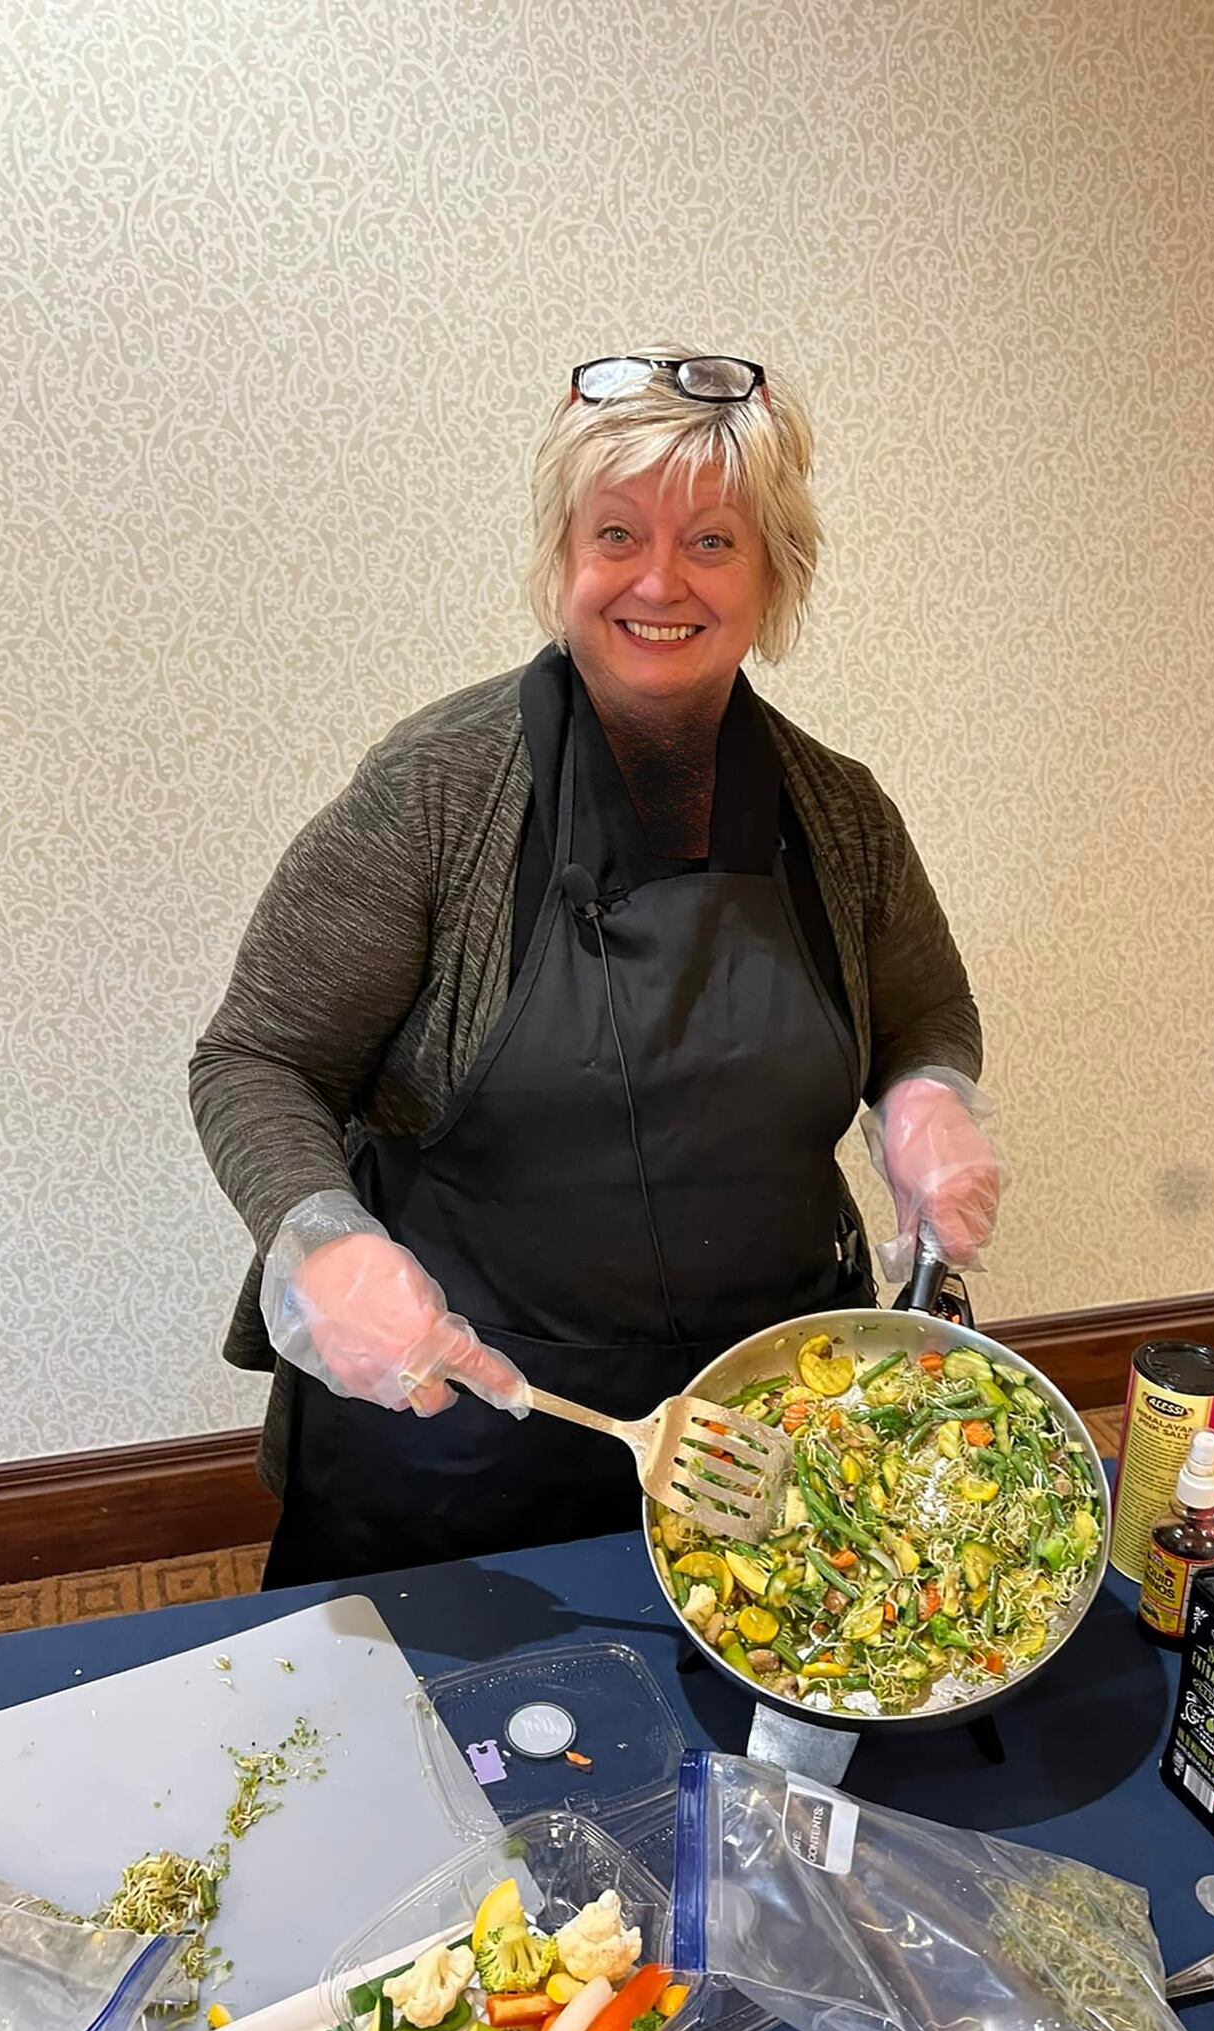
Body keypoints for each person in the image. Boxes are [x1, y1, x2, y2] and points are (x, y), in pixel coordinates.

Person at [190, 350, 1001, 1587]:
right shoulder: (435, 792)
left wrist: (928, 1095)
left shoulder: (841, 814)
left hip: (763, 1417)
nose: (659, 581)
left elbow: (924, 1010)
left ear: (776, 573)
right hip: (465, 1411)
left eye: (713, 542)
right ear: (561, 560)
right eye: (615, 532)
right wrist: (322, 1239)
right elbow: (258, 1058)